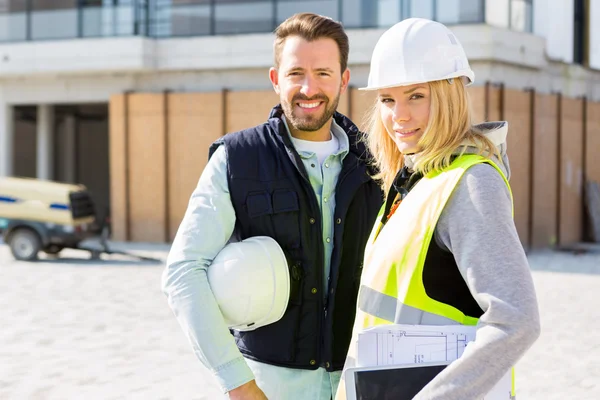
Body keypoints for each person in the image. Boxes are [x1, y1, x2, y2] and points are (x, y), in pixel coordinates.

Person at [162, 13, 383, 400]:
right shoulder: (237, 158)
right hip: (267, 388)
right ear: (275, 79)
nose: (309, 87)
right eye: (296, 72)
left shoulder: (380, 162)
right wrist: (238, 384)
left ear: (344, 80)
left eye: (323, 73)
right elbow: (183, 272)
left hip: (362, 383)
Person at [334, 18, 541, 399]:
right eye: (387, 99)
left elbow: (517, 320)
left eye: (416, 96)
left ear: (449, 95)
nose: (400, 115)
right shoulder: (414, 181)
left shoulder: (470, 184)